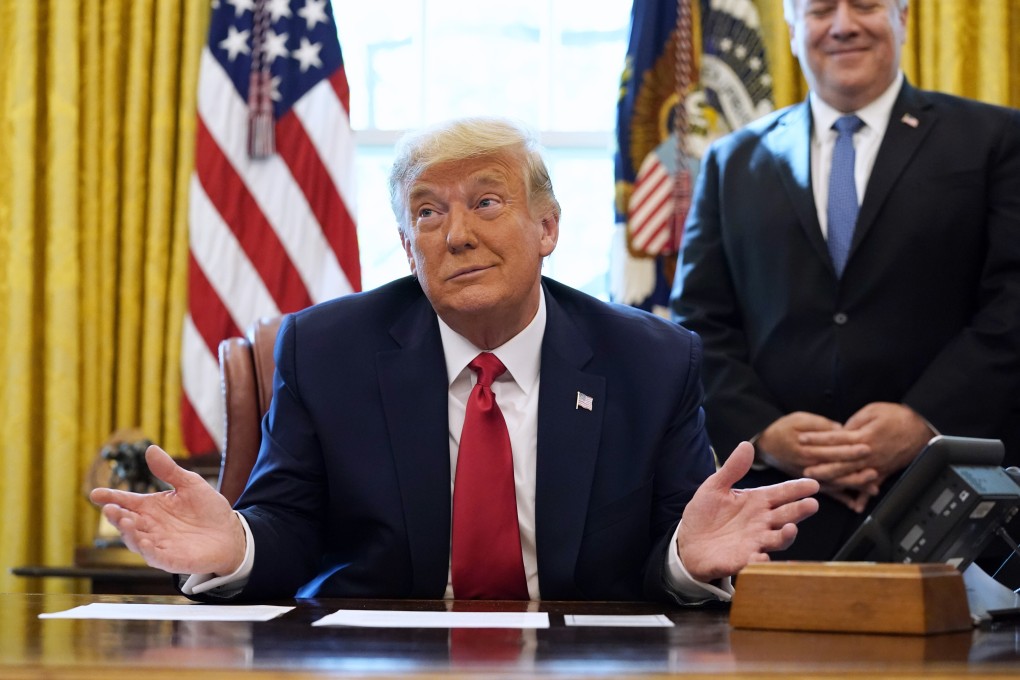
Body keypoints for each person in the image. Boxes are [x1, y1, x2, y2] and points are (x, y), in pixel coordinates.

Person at [91, 117, 819, 604]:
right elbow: (289, 524)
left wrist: (687, 562)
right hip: (381, 660)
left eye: (488, 201)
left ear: (547, 227)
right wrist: (236, 546)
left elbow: (675, 539)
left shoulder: (650, 360)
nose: (458, 235)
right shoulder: (325, 351)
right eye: (429, 212)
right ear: (408, 250)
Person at [670, 0, 1020, 561]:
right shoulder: (731, 162)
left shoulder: (995, 139)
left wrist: (924, 421)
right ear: (790, 30)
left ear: (903, 19)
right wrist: (764, 430)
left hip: (950, 507)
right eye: (820, 10)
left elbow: (1013, 305)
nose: (843, 24)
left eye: (865, 5)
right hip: (778, 518)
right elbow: (698, 324)